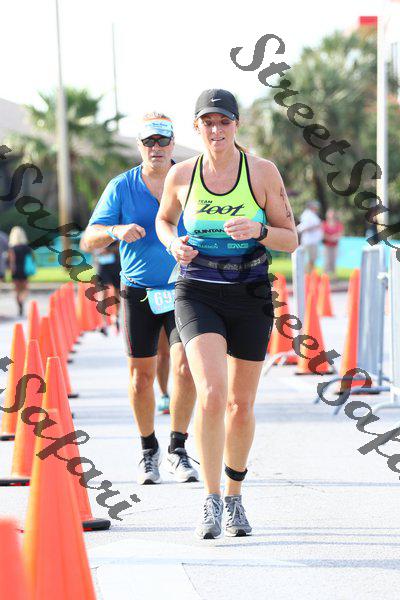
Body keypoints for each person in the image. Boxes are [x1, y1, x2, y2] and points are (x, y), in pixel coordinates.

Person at [156, 89, 298, 539]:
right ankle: (211, 498)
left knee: (240, 404)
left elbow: (290, 238)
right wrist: (172, 243)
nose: (216, 130)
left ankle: (235, 497)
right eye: (208, 122)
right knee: (213, 394)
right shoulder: (182, 174)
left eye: (224, 122)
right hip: (197, 291)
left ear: (236, 125)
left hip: (251, 293)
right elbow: (164, 220)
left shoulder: (261, 172)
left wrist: (259, 229)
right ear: (196, 127)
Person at [81, 112, 198, 485]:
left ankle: (178, 448)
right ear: (140, 145)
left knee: (185, 368)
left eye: (163, 141)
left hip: (185, 289)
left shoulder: (192, 180)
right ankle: (149, 450)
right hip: (139, 292)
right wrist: (115, 230)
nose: (156, 148)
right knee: (140, 377)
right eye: (149, 141)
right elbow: (88, 239)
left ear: (172, 143)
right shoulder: (121, 186)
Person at [91, 240, 121, 334]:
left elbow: (121, 244)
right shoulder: (94, 231)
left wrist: (110, 250)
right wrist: (97, 250)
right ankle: (103, 322)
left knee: (117, 291)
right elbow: (86, 245)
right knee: (102, 292)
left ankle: (116, 317)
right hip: (101, 264)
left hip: (115, 262)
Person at [8, 226, 35, 316]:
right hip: (24, 270)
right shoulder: (27, 248)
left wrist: (11, 271)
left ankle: (20, 305)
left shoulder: (12, 248)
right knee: (25, 289)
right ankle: (21, 299)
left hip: (15, 270)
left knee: (17, 290)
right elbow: (32, 259)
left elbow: (11, 261)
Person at [297, 200, 322, 273]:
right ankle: (307, 274)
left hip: (314, 241)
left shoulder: (313, 214)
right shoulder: (307, 214)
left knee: (313, 259)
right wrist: (315, 227)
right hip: (309, 241)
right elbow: (302, 227)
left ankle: (310, 274)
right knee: (309, 259)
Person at [322, 209, 343, 276]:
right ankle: (325, 275)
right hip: (327, 245)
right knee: (327, 260)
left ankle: (334, 275)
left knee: (333, 260)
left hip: (335, 245)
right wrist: (330, 238)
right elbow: (323, 234)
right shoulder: (324, 224)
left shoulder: (338, 224)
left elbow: (340, 233)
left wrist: (334, 237)